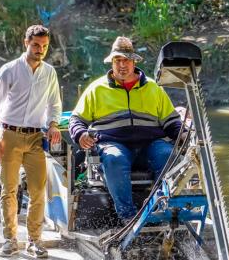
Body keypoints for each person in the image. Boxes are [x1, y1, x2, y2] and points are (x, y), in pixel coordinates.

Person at [69, 36, 181, 224]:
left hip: (149, 145)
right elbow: (76, 119)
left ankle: (162, 208)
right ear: (111, 62)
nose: (122, 65)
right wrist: (80, 134)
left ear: (134, 61)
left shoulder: (154, 88)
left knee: (167, 153)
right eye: (117, 60)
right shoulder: (96, 89)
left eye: (126, 60)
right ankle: (127, 216)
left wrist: (184, 136)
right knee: (114, 158)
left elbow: (172, 122)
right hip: (113, 144)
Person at [0, 24, 62, 258]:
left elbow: (54, 103)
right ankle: (10, 240)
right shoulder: (9, 70)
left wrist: (53, 124)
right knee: (9, 190)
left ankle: (34, 240)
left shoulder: (49, 72)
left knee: (38, 191)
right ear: (26, 43)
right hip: (9, 134)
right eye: (36, 45)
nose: (40, 50)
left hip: (36, 137)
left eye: (45, 46)